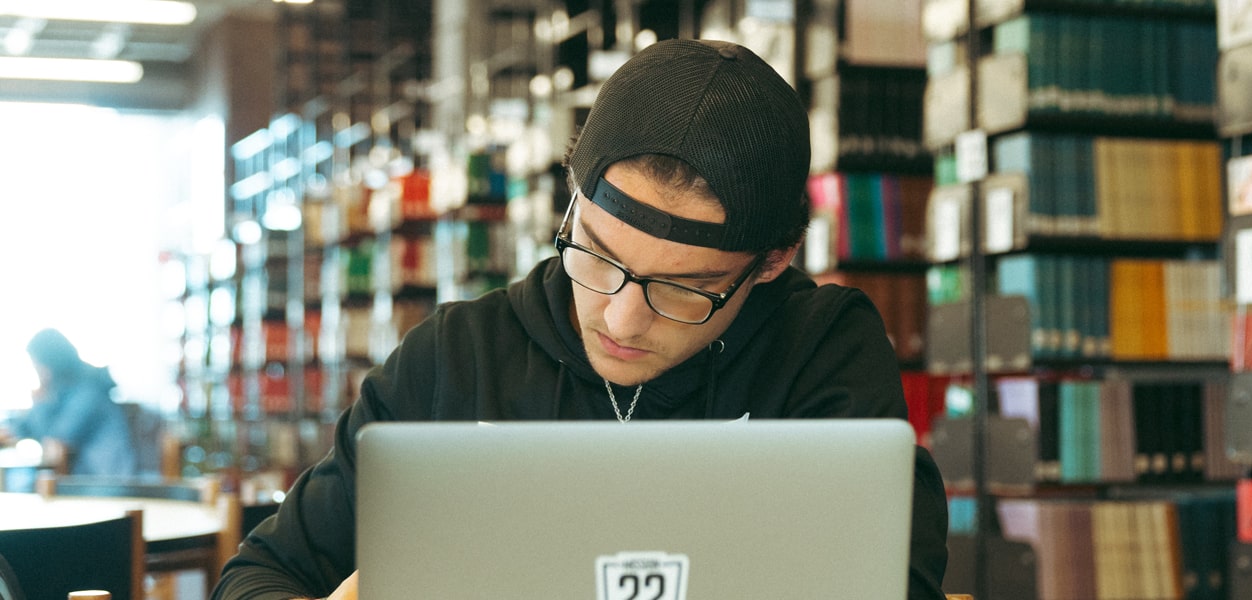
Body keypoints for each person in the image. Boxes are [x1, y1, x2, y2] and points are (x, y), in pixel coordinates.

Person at [213, 39, 949, 600]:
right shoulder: (454, 356)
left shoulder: (821, 350)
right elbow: (256, 577)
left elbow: (898, 584)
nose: (623, 321)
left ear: (771, 263)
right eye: (597, 255)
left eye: (683, 289)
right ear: (570, 202)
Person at [2, 328, 136, 477]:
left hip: (106, 479)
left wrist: (40, 403)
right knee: (21, 479)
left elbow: (57, 437)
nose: (38, 373)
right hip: (84, 476)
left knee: (22, 480)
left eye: (38, 366)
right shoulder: (63, 390)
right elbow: (28, 428)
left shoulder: (88, 390)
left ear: (51, 364)